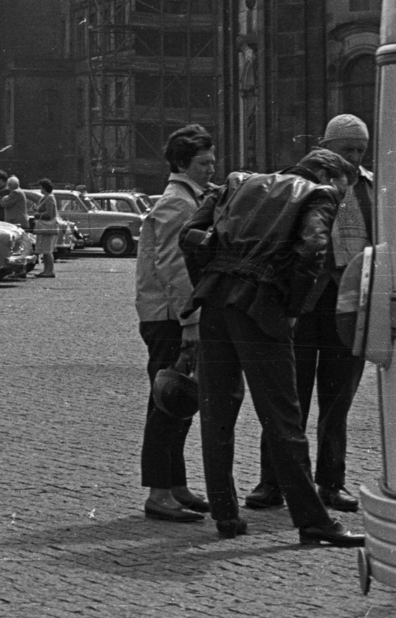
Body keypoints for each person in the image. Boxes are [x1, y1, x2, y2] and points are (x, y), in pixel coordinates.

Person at [183, 148, 363, 545]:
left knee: (217, 411)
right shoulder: (319, 194)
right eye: (341, 187)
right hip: (262, 306)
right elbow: (314, 247)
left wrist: (209, 276)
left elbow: (190, 235)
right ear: (330, 176)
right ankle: (313, 520)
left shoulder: (237, 181)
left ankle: (226, 516)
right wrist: (294, 307)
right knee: (283, 416)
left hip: (214, 299)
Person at [246, 115, 373, 513]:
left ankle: (331, 483)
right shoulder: (295, 182)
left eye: (359, 150)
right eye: (345, 149)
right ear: (325, 145)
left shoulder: (371, 187)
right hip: (300, 306)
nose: (352, 157)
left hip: (350, 306)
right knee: (288, 398)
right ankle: (274, 482)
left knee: (337, 402)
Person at [135, 124, 216, 522]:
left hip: (173, 316)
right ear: (183, 163)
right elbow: (173, 266)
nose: (211, 167)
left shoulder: (190, 198)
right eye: (203, 162)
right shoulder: (177, 204)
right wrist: (190, 321)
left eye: (212, 160)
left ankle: (176, 484)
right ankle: (159, 492)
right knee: (166, 402)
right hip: (169, 318)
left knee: (181, 399)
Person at [33, 178, 60, 278]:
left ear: (44, 188)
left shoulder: (49, 198)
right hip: (45, 228)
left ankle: (50, 271)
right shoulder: (46, 197)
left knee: (48, 250)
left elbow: (49, 214)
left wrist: (37, 214)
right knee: (45, 250)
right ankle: (46, 270)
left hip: (47, 227)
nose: (40, 188)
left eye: (41, 187)